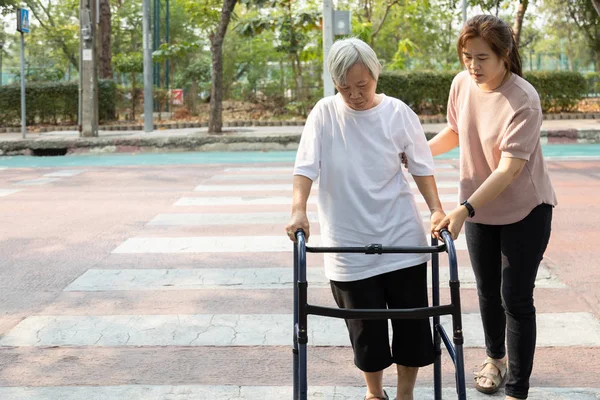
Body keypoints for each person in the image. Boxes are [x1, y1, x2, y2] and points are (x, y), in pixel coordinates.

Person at [285, 37, 446, 400]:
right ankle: (375, 393)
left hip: (401, 237)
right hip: (348, 244)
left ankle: (405, 393)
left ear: (376, 75)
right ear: (334, 84)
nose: (355, 95)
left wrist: (436, 208)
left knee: (412, 330)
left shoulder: (398, 113)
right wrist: (299, 209)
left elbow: (422, 167)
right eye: (345, 87)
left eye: (363, 85)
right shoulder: (324, 114)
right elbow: (305, 167)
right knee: (366, 334)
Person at [429, 15, 557, 400]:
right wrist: (414, 153)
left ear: (505, 55)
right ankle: (494, 360)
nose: (473, 66)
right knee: (486, 291)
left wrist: (463, 209)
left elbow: (508, 170)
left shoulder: (524, 99)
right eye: (467, 56)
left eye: (482, 57)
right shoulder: (461, 85)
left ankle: (518, 387)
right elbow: (455, 131)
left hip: (525, 211)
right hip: (478, 209)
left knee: (515, 298)